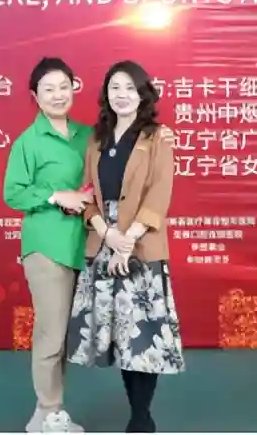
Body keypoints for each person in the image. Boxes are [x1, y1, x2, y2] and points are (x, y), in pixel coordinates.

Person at [66, 60, 185, 433]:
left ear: (143, 94)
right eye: (115, 87)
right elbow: (87, 194)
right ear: (106, 94)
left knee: (143, 336)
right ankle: (138, 413)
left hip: (141, 243)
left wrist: (128, 239)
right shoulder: (96, 139)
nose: (122, 95)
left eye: (130, 88)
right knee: (122, 335)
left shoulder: (157, 137)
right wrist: (106, 233)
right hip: (104, 242)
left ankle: (141, 418)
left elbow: (160, 192)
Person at [4, 57, 95, 433]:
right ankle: (47, 410)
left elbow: (121, 157)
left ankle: (50, 414)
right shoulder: (28, 142)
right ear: (35, 96)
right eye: (48, 89)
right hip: (46, 246)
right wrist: (57, 195)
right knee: (51, 334)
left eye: (63, 87)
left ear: (74, 87)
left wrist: (159, 135)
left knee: (66, 335)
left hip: (85, 245)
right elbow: (13, 193)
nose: (58, 95)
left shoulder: (89, 135)